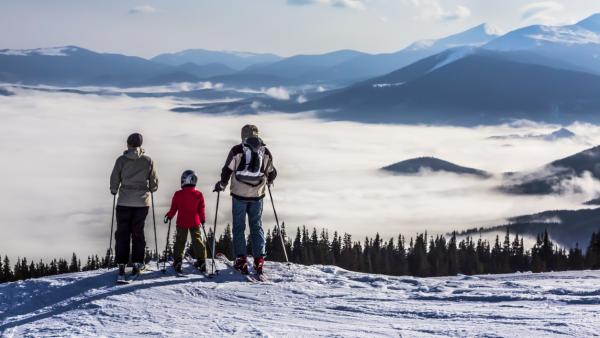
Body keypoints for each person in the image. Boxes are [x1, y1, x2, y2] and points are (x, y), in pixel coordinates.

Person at [214, 125, 277, 275]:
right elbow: (272, 173)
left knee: (239, 227)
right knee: (256, 226)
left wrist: (222, 184)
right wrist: (268, 180)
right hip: (257, 195)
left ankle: (241, 260)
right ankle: (259, 260)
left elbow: (227, 170)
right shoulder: (265, 151)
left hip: (239, 195)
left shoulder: (236, 150)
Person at [110, 133, 159, 278]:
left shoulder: (121, 160)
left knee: (122, 233)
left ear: (128, 144)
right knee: (138, 232)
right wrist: (150, 190)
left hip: (124, 201)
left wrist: (114, 190)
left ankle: (121, 263)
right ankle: (138, 263)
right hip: (142, 203)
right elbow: (154, 183)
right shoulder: (148, 160)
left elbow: (114, 178)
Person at [164, 170, 207, 274]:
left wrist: (169, 216)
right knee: (197, 240)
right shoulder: (198, 194)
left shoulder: (178, 194)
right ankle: (202, 261)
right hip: (195, 221)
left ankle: (178, 261)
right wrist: (203, 219)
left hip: (182, 221)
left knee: (180, 241)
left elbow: (174, 208)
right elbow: (201, 209)